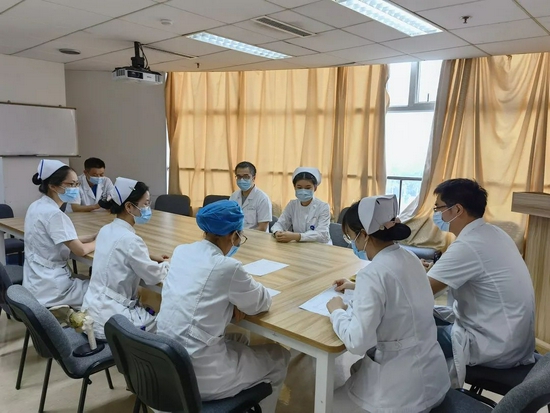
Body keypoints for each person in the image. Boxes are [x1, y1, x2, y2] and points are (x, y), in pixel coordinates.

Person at [156, 200, 290, 413]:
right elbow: (262, 302)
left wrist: (231, 298)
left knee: (239, 339)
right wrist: (237, 299)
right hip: (199, 375)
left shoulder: (181, 251)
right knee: (279, 355)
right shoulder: (228, 267)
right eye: (239, 236)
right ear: (233, 235)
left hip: (166, 362)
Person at [326, 195, 449, 413]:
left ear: (364, 235)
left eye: (351, 237)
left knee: (328, 404)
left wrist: (337, 312)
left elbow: (357, 342)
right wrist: (355, 287)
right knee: (357, 372)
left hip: (400, 394)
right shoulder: (410, 258)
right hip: (432, 377)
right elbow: (398, 292)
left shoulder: (372, 274)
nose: (352, 243)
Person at [426, 178, 535, 387]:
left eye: (438, 208)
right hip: (513, 338)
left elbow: (420, 293)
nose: (436, 214)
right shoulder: (494, 233)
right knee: (428, 315)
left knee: (406, 335)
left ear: (457, 209)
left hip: (495, 346)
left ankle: (415, 394)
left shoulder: (469, 245)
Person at [82, 177, 170, 340]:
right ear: (129, 207)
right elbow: (154, 276)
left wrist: (148, 256)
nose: (148, 209)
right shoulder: (131, 240)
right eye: (145, 204)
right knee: (166, 324)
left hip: (91, 310)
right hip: (112, 319)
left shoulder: (106, 229)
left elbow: (120, 252)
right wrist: (167, 264)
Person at [23, 159, 96, 308]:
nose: (75, 188)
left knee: (89, 283)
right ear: (53, 186)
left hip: (37, 280)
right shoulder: (55, 214)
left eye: (77, 184)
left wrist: (89, 238)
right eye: (71, 184)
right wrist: (100, 240)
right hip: (53, 287)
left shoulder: (36, 206)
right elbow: (81, 250)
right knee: (105, 291)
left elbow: (54, 238)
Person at [270, 167, 331, 244]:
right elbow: (280, 224)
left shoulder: (323, 207)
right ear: (294, 187)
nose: (303, 191)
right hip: (298, 245)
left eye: (308, 188)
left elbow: (323, 234)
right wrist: (277, 232)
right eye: (299, 187)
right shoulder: (292, 205)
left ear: (315, 188)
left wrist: (297, 236)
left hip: (319, 246)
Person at [229, 161, 272, 232]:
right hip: (235, 235)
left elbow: (262, 228)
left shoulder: (263, 199)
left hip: (255, 237)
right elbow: (229, 219)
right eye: (239, 177)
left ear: (253, 178)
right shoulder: (234, 196)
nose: (242, 180)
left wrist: (241, 234)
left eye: (246, 177)